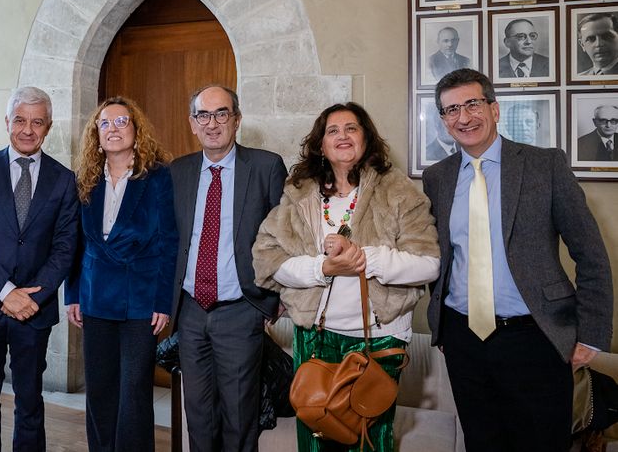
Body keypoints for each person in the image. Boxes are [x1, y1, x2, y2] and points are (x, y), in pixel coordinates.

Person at [422, 69, 613, 452]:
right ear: (443, 121)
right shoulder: (437, 177)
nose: (464, 117)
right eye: (452, 109)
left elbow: (590, 253)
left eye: (473, 104)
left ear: (494, 109)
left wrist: (591, 335)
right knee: (482, 442)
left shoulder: (545, 165)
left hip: (536, 337)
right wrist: (443, 325)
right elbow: (439, 254)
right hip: (463, 340)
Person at [253, 103, 440, 452]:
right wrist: (322, 269)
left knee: (370, 441)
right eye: (332, 131)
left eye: (351, 128)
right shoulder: (299, 195)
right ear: (320, 145)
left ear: (366, 138)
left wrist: (363, 258)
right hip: (315, 338)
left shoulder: (398, 191)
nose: (342, 136)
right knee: (315, 437)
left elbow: (428, 264)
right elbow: (268, 261)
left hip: (378, 339)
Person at [0, 86, 79, 452]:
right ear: (7, 121)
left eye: (37, 122)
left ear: (48, 127)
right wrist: (6, 292)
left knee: (30, 404)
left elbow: (65, 248)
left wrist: (31, 298)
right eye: (20, 120)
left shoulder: (63, 179)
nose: (27, 129)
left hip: (34, 310)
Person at [169, 84, 288, 452]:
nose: (212, 123)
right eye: (203, 115)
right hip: (190, 312)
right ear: (192, 123)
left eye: (221, 113)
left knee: (239, 417)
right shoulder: (178, 171)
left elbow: (285, 236)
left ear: (236, 119)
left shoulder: (266, 167)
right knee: (198, 416)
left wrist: (275, 298)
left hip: (241, 310)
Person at [65, 96, 178, 451]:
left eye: (121, 122)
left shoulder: (157, 177)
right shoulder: (85, 179)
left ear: (136, 130)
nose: (112, 129)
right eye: (105, 123)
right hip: (95, 296)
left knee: (134, 392)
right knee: (100, 389)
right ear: (96, 135)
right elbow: (76, 243)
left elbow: (169, 242)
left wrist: (163, 301)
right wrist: (73, 294)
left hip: (141, 301)